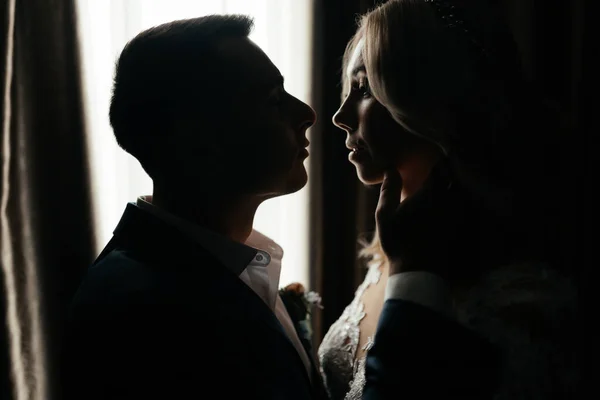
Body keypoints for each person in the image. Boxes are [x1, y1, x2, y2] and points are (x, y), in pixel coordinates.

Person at [318, 0, 579, 399]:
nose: (339, 115)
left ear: (425, 102)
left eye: (365, 89)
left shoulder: (517, 300)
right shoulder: (392, 255)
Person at [59, 15, 329, 400]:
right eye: (273, 100)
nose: (307, 113)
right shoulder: (146, 316)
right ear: (197, 137)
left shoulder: (223, 261)